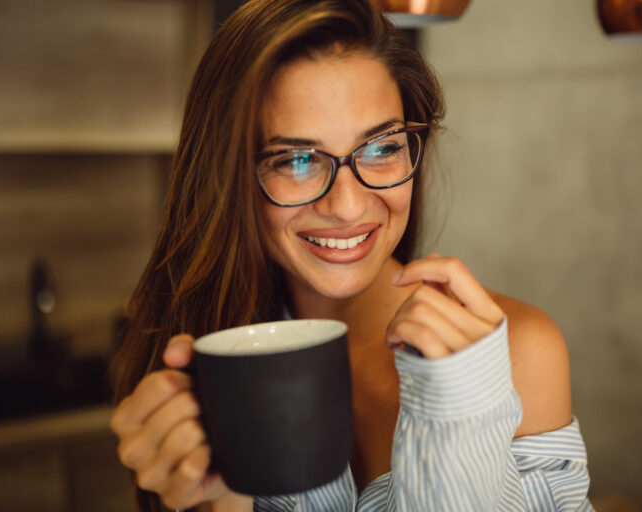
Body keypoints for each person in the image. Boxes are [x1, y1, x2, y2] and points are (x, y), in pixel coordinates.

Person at [109, 0, 594, 510]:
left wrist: (465, 419)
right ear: (225, 178)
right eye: (295, 159)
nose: (347, 206)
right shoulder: (196, 374)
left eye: (382, 147)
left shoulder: (518, 353)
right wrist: (222, 497)